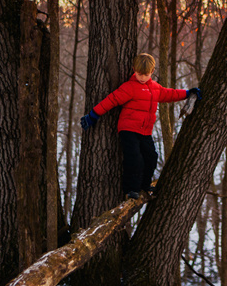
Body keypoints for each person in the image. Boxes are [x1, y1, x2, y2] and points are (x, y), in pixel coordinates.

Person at [80, 53, 201, 199]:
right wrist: (93, 115)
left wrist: (188, 93)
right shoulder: (129, 87)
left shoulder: (155, 88)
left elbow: (170, 94)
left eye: (146, 74)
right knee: (134, 158)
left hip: (145, 132)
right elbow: (111, 100)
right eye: (139, 74)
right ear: (133, 70)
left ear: (152, 71)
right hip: (128, 129)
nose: (142, 77)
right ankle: (131, 189)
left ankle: (144, 185)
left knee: (151, 156)